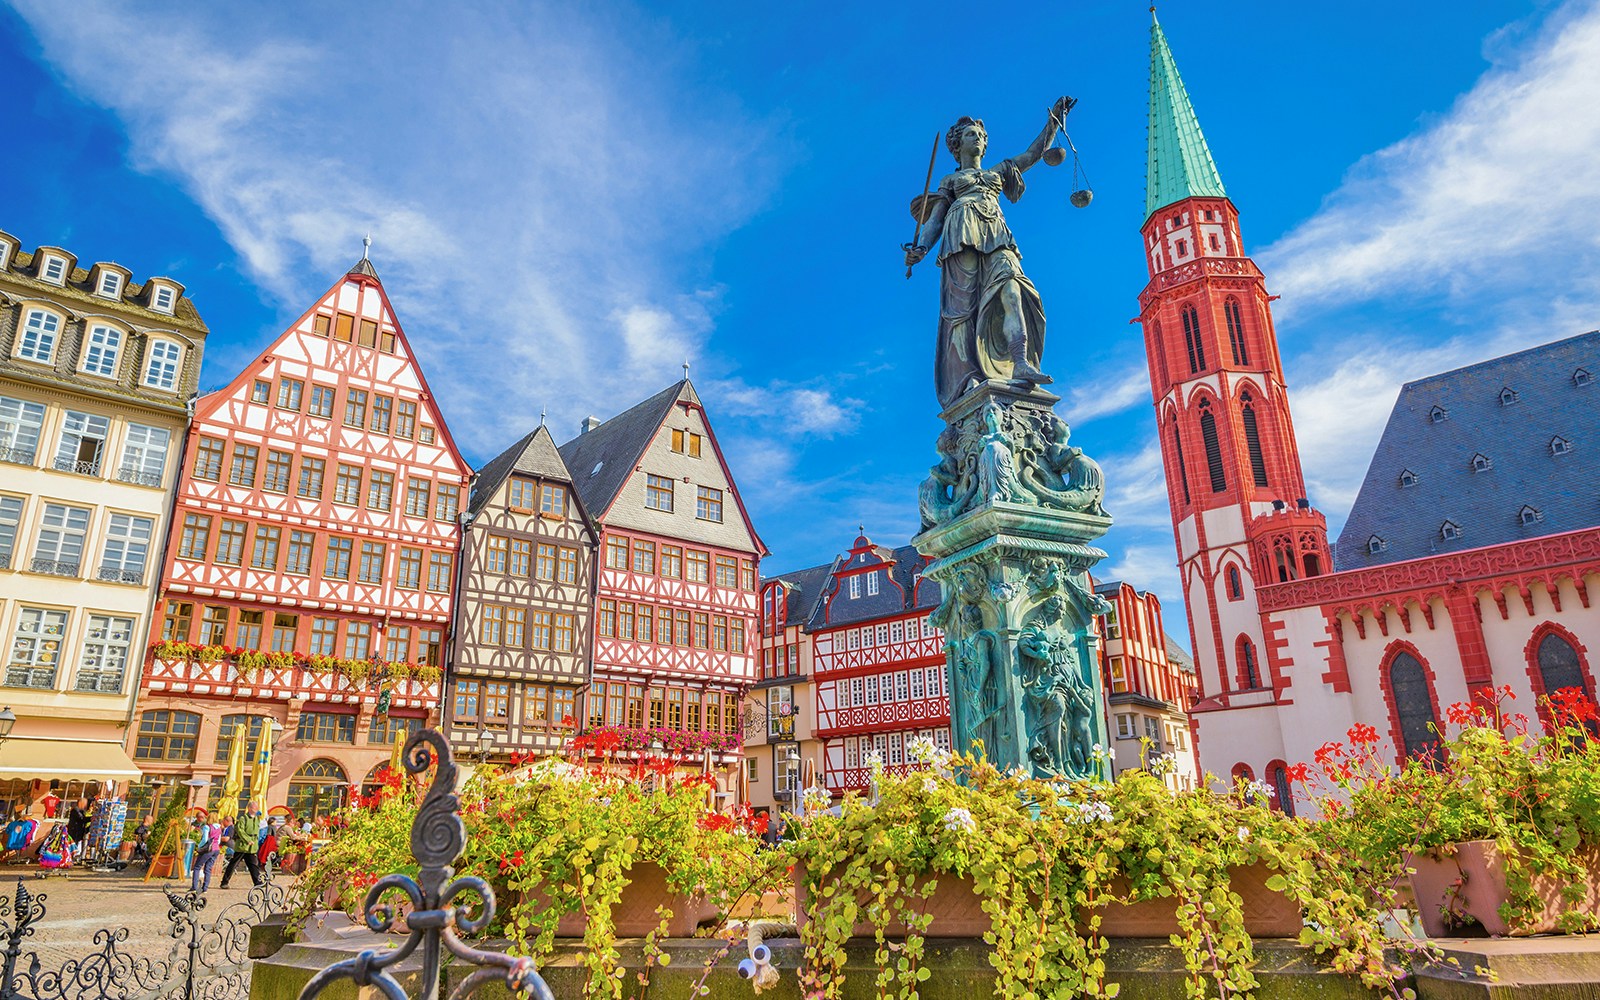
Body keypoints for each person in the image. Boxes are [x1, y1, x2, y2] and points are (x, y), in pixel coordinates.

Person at [904, 97, 1076, 409]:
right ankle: (967, 375)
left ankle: (1021, 362)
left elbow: (1033, 154)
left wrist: (1054, 122)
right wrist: (921, 248)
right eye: (971, 134)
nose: (979, 138)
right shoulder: (952, 180)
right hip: (961, 236)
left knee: (1013, 291)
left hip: (996, 235)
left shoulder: (998, 172)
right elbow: (935, 220)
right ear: (957, 146)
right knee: (964, 311)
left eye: (982, 135)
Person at [217, 803, 265, 888]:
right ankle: (224, 882)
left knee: (253, 864)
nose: (256, 809)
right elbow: (240, 830)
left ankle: (258, 882)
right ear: (249, 808)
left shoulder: (257, 819)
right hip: (242, 846)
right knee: (233, 864)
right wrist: (247, 839)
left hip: (252, 847)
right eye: (255, 808)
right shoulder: (243, 819)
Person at [190, 816, 222, 893]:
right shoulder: (219, 828)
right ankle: (205, 888)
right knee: (208, 868)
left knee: (197, 867)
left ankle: (194, 887)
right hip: (216, 849)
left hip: (208, 849)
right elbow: (218, 840)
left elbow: (204, 839)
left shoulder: (207, 827)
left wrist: (199, 846)